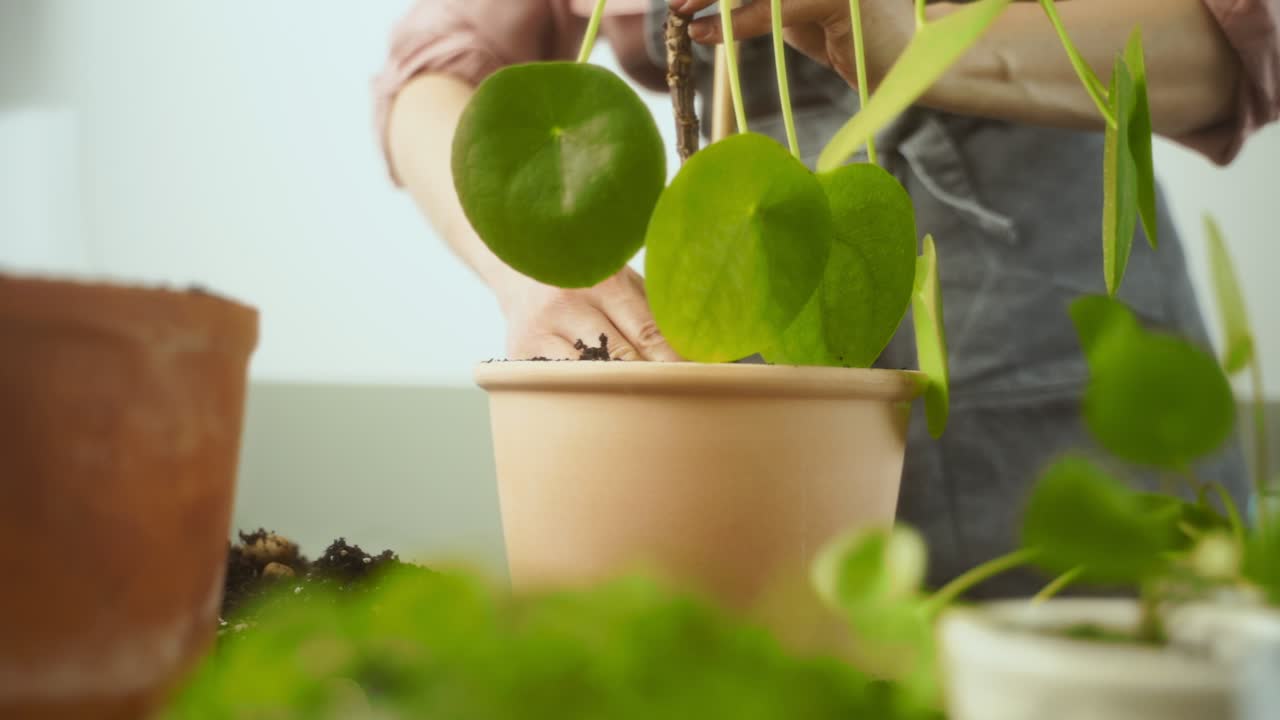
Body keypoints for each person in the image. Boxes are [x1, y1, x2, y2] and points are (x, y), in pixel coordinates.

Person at [374, 0, 1280, 596]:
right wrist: (539, 269)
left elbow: (1244, 39)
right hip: (759, 285)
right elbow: (434, 69)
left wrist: (902, 35)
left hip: (1067, 316)